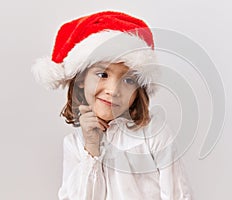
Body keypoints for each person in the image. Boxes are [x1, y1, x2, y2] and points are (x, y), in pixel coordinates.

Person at [32, 11, 192, 200]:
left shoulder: (154, 135)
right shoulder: (74, 145)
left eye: (129, 81)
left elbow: (177, 194)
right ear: (82, 79)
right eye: (103, 75)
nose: (113, 90)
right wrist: (91, 148)